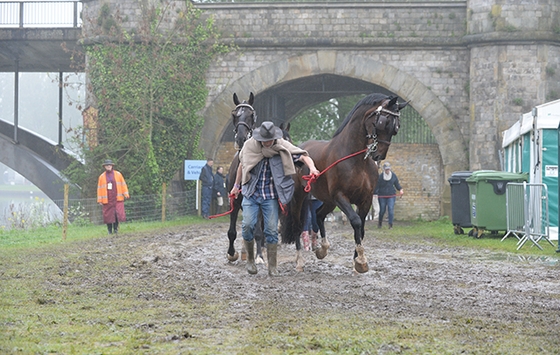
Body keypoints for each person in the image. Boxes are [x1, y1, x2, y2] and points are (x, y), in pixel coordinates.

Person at [230, 121, 320, 276]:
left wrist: (312, 168)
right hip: (251, 194)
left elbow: (304, 156)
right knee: (247, 226)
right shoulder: (250, 146)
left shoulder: (281, 145)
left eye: (270, 140)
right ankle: (251, 259)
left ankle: (272, 266)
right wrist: (236, 186)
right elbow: (241, 166)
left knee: (271, 230)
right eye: (264, 140)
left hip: (270, 196)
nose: (267, 143)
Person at [97, 159, 129, 234]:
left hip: (117, 198)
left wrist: (126, 193)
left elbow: (123, 184)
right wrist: (100, 200)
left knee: (116, 215)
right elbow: (99, 188)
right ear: (104, 167)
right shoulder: (101, 177)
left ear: (112, 166)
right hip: (107, 199)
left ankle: (116, 229)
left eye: (110, 165)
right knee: (108, 215)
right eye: (107, 165)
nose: (108, 166)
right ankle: (109, 231)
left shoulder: (118, 174)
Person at [374, 162, 404, 229]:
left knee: (390, 209)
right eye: (386, 169)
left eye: (388, 169)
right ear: (384, 169)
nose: (387, 170)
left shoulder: (393, 176)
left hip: (391, 195)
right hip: (382, 196)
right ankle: (380, 223)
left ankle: (390, 225)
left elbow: (397, 184)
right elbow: (377, 186)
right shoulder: (381, 177)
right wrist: (375, 193)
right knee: (382, 210)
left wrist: (401, 189)